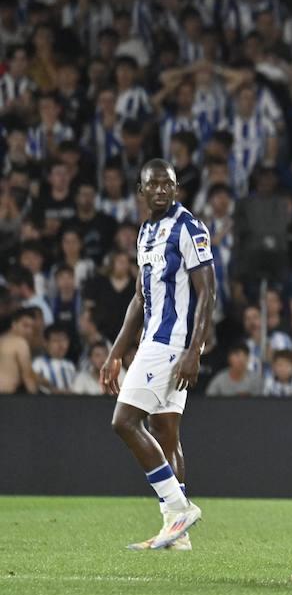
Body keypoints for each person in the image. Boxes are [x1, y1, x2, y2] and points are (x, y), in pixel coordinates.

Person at [101, 160, 216, 551]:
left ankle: (176, 506)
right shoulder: (146, 232)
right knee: (166, 432)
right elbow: (139, 297)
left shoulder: (188, 227)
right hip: (154, 340)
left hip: (171, 343)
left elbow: (207, 292)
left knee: (124, 421)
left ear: (177, 188)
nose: (162, 190)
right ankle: (176, 532)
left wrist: (194, 350)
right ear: (142, 191)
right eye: (154, 185)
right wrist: (116, 352)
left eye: (168, 184)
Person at [0, 308, 40, 394]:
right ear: (14, 324)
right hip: (5, 398)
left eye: (32, 328)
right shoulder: (20, 343)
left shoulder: (2, 340)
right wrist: (37, 402)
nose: (29, 331)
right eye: (25, 326)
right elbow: (28, 377)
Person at [32, 325, 76, 393]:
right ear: (46, 343)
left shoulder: (70, 365)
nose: (61, 344)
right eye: (56, 340)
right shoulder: (38, 364)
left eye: (64, 340)